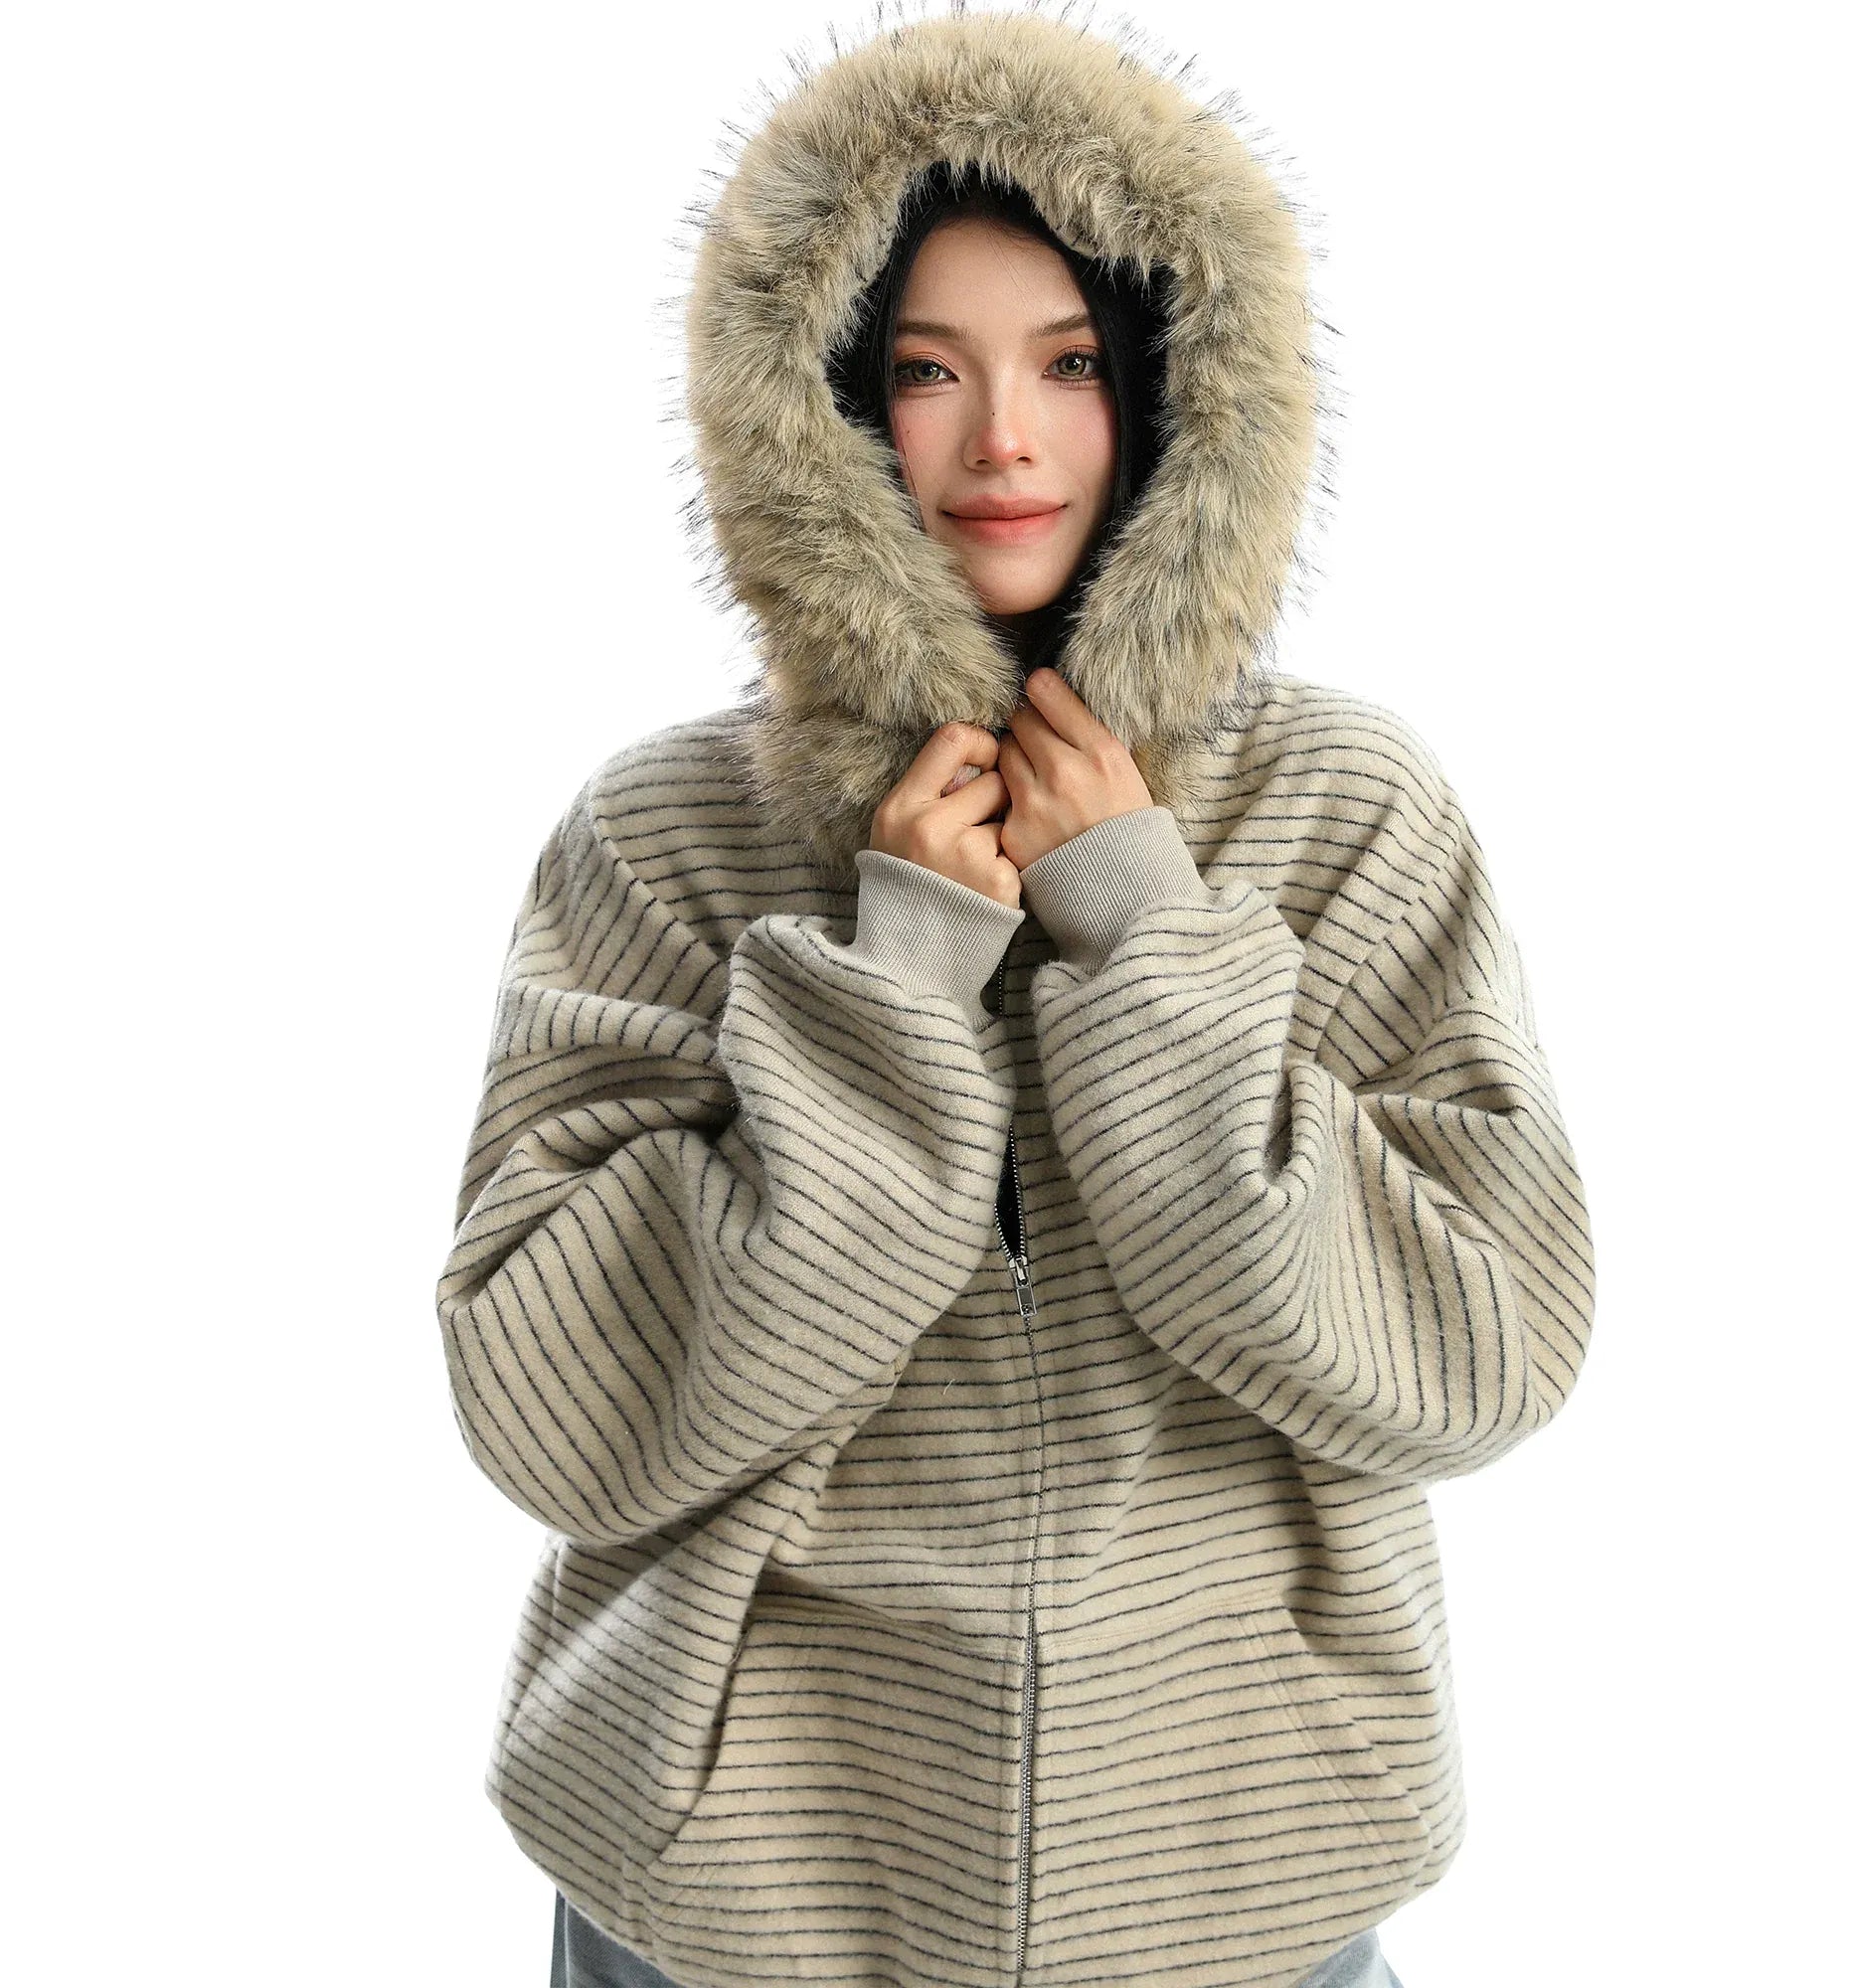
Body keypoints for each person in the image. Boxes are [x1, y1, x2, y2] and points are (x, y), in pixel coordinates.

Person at [434, 13, 1596, 1988]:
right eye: (925, 370)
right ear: (817, 406)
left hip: (1241, 1892)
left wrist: (1146, 935)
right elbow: (550, 1408)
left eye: (1068, 364)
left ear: (1172, 395)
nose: (1001, 441)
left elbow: (1479, 1351)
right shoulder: (660, 835)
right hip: (729, 1906)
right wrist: (886, 991)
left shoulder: (1345, 806)